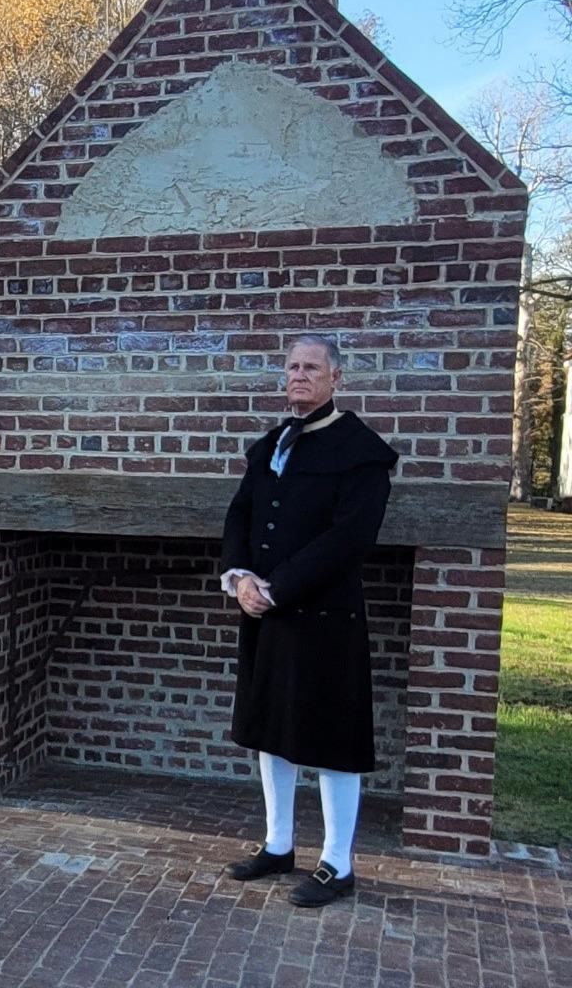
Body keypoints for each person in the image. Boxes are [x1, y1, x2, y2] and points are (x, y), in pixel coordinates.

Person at [219, 333, 397, 908]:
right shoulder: (270, 445)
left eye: (311, 367)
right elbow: (240, 514)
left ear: (335, 378)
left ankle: (338, 864)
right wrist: (241, 577)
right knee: (272, 730)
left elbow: (350, 538)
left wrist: (276, 588)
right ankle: (278, 845)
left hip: (324, 616)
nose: (299, 375)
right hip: (266, 613)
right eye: (292, 366)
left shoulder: (361, 451)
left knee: (328, 740)